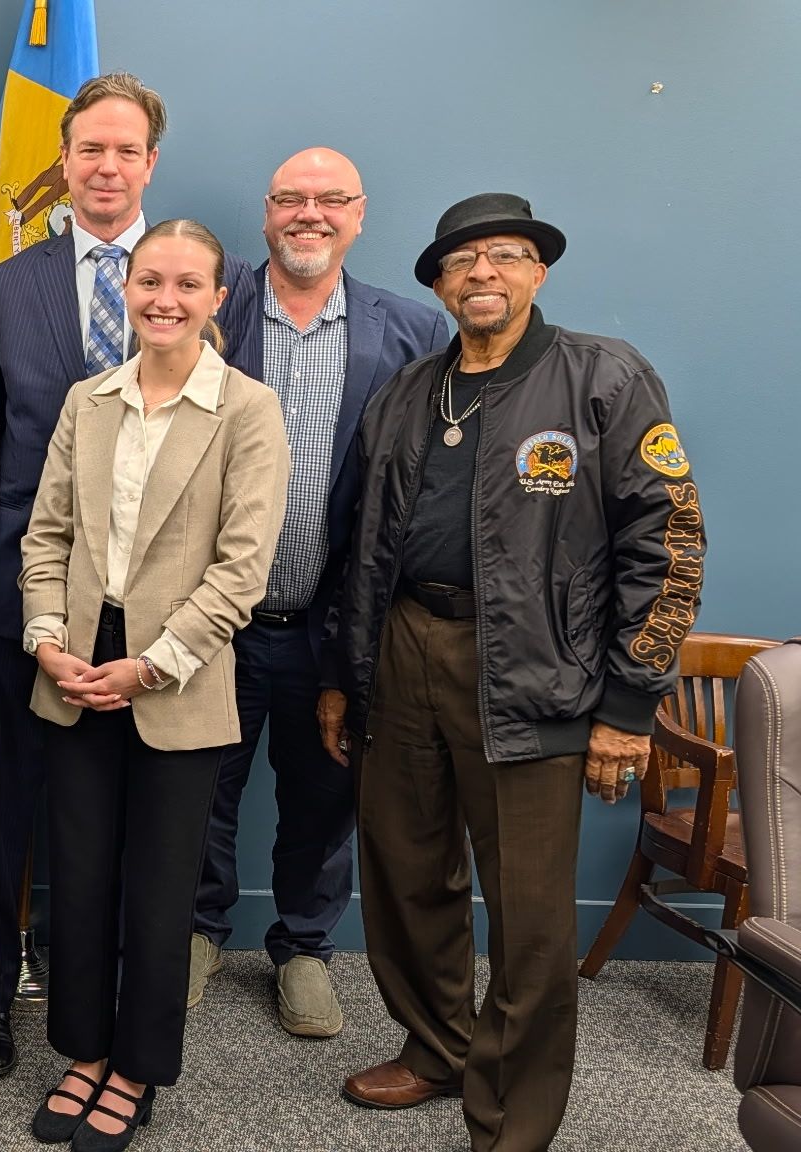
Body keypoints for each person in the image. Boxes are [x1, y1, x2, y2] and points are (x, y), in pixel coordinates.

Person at [320, 193, 704, 1150]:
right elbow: (355, 545)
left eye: (504, 255)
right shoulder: (409, 392)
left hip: (543, 674)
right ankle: (437, 1050)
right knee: (407, 875)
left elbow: (671, 543)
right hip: (406, 655)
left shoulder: (603, 380)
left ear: (539, 272)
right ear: (440, 285)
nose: (481, 273)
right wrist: (345, 674)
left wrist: (627, 705)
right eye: (461, 261)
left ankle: (511, 1116)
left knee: (530, 919)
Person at [0, 72, 259, 1077]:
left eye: (124, 151)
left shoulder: (197, 277)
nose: (103, 166)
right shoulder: (6, 286)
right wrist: (34, 620)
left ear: (148, 164)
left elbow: (225, 474)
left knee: (141, 851)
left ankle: (122, 1041)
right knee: (11, 819)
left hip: (164, 623)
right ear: (63, 157)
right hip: (30, 610)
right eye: (88, 148)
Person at [20, 220, 288, 1151]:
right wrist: (49, 641)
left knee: (161, 891)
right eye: (148, 281)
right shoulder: (87, 400)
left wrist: (148, 666)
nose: (164, 300)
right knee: (82, 879)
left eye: (187, 284)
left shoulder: (248, 410)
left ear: (220, 297)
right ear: (125, 290)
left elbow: (240, 571)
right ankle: (84, 1053)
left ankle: (136, 1069)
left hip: (175, 680)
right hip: (76, 671)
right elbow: (47, 535)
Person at [187, 148, 448, 1035]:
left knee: (324, 798)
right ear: (266, 215)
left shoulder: (411, 332)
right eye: (292, 199)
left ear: (360, 215)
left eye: (330, 200)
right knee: (200, 789)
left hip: (333, 626)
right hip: (214, 619)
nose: (311, 214)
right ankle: (197, 930)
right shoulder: (211, 308)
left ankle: (302, 948)